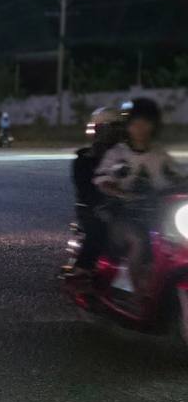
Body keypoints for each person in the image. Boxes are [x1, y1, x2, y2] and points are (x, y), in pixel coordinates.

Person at [94, 97, 183, 294]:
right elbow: (103, 180)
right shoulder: (118, 154)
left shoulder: (159, 155)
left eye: (146, 123)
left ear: (154, 126)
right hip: (121, 216)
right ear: (128, 126)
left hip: (156, 214)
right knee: (139, 241)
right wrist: (121, 193)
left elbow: (177, 176)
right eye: (136, 123)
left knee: (176, 244)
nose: (141, 129)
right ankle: (138, 296)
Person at [68, 105, 125, 277]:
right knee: (98, 231)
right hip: (93, 207)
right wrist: (103, 204)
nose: (114, 133)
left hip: (126, 205)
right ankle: (82, 270)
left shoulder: (128, 155)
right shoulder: (85, 159)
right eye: (109, 128)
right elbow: (86, 191)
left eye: (117, 128)